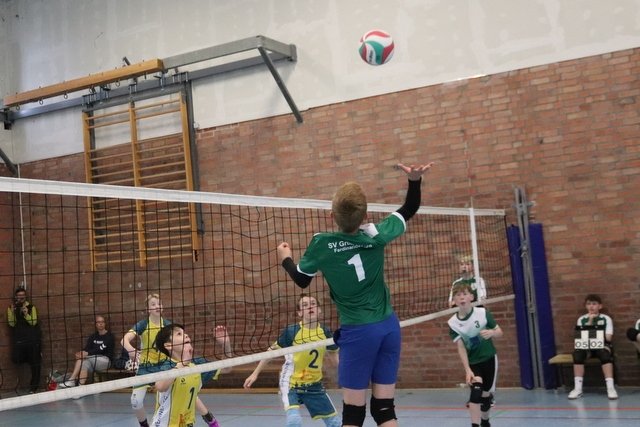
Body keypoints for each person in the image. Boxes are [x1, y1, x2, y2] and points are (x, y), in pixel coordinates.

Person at [276, 162, 433, 427]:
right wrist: (414, 181)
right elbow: (409, 208)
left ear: (331, 215)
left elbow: (302, 280)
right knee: (384, 410)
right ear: (365, 215)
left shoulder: (322, 244)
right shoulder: (377, 235)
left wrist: (285, 258)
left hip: (358, 333)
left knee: (353, 414)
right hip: (389, 327)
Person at [243, 294, 341, 427]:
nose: (310, 307)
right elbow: (270, 352)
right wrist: (255, 373)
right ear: (300, 313)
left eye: (313, 304)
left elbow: (335, 359)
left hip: (314, 384)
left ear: (319, 310)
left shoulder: (325, 332)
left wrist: (346, 374)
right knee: (294, 421)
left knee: (335, 423)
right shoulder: (291, 332)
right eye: (305, 305)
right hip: (291, 383)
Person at [122, 293, 218, 427]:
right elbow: (124, 340)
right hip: (146, 368)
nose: (157, 306)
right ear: (147, 309)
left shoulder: (168, 325)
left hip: (164, 364)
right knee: (136, 402)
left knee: (186, 389)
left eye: (159, 304)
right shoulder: (143, 324)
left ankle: (209, 418)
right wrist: (130, 349)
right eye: (153, 304)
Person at [151, 323, 233, 427]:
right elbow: (160, 386)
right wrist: (182, 364)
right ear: (169, 345)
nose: (186, 335)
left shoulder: (197, 364)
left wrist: (226, 344)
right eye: (179, 334)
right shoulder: (168, 365)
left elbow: (226, 368)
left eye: (185, 333)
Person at [448, 282, 503, 427]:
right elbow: (461, 348)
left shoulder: (482, 313)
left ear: (471, 297)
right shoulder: (453, 323)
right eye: (458, 295)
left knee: (485, 396)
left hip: (489, 359)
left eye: (465, 294)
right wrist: (467, 370)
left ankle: (485, 421)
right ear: (454, 300)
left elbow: (499, 332)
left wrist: (491, 333)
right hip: (473, 363)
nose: (462, 297)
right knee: (475, 394)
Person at [568, 294, 617, 400]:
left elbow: (608, 338)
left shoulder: (606, 319)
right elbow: (581, 337)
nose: (591, 306)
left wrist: (594, 332)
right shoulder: (582, 319)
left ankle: (610, 388)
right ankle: (578, 389)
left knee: (604, 355)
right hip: (587, 346)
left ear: (600, 306)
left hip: (603, 345)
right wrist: (590, 322)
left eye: (594, 304)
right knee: (577, 355)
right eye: (588, 304)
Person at [59, 314, 115, 387]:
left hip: (105, 361)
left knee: (83, 359)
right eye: (98, 322)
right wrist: (81, 353)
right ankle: (80, 388)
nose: (101, 324)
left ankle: (72, 380)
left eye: (102, 322)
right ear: (96, 324)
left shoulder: (109, 336)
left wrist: (86, 354)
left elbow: (100, 349)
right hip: (92, 360)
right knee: (84, 363)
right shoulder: (93, 336)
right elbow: (87, 348)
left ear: (105, 323)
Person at [7, 286, 42, 393]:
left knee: (35, 363)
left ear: (25, 296)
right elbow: (11, 324)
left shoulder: (31, 307)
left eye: (23, 295)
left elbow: (33, 322)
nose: (21, 298)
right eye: (19, 296)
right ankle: (28, 358)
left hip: (32, 339)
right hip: (20, 340)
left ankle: (33, 387)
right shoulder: (11, 308)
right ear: (16, 297)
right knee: (15, 358)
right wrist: (13, 312)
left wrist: (26, 314)